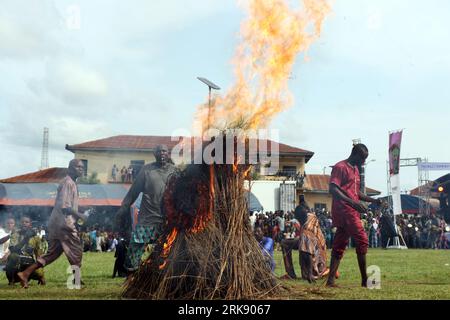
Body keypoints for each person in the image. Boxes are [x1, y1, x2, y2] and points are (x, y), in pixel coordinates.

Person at [17, 159, 91, 288]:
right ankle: (76, 280)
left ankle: (25, 274)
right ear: (71, 168)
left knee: (52, 254)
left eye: (82, 167)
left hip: (57, 223)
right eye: (79, 167)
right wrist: (81, 216)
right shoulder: (68, 183)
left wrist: (81, 210)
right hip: (64, 224)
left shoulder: (70, 182)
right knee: (76, 250)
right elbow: (65, 207)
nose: (82, 169)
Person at [326, 144, 384, 288]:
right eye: (362, 158)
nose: (363, 162)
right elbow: (333, 189)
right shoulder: (340, 167)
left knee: (340, 244)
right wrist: (352, 203)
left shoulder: (356, 170)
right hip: (344, 210)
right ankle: (365, 281)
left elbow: (356, 193)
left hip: (350, 209)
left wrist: (373, 200)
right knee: (363, 241)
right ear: (355, 154)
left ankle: (331, 281)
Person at [114, 144, 177, 275]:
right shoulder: (146, 170)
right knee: (136, 245)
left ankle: (162, 272)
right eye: (159, 151)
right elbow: (133, 192)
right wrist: (123, 208)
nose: (162, 154)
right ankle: (130, 271)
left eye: (164, 151)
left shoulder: (174, 171)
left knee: (168, 246)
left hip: (168, 219)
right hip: (148, 217)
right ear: (154, 154)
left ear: (168, 153)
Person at [5, 216, 47, 286]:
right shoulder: (15, 233)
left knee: (39, 273)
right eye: (22, 222)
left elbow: (40, 254)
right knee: (12, 256)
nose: (24, 223)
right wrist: (25, 239)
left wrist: (42, 239)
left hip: (30, 264)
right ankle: (11, 280)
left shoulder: (35, 237)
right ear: (20, 224)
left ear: (30, 224)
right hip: (18, 263)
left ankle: (40, 277)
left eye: (26, 222)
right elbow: (13, 250)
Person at [294, 204, 329, 283]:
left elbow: (308, 253)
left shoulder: (306, 230)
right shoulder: (311, 215)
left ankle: (309, 273)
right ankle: (306, 272)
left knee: (303, 250)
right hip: (321, 246)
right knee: (302, 245)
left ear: (300, 218)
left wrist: (310, 274)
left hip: (317, 258)